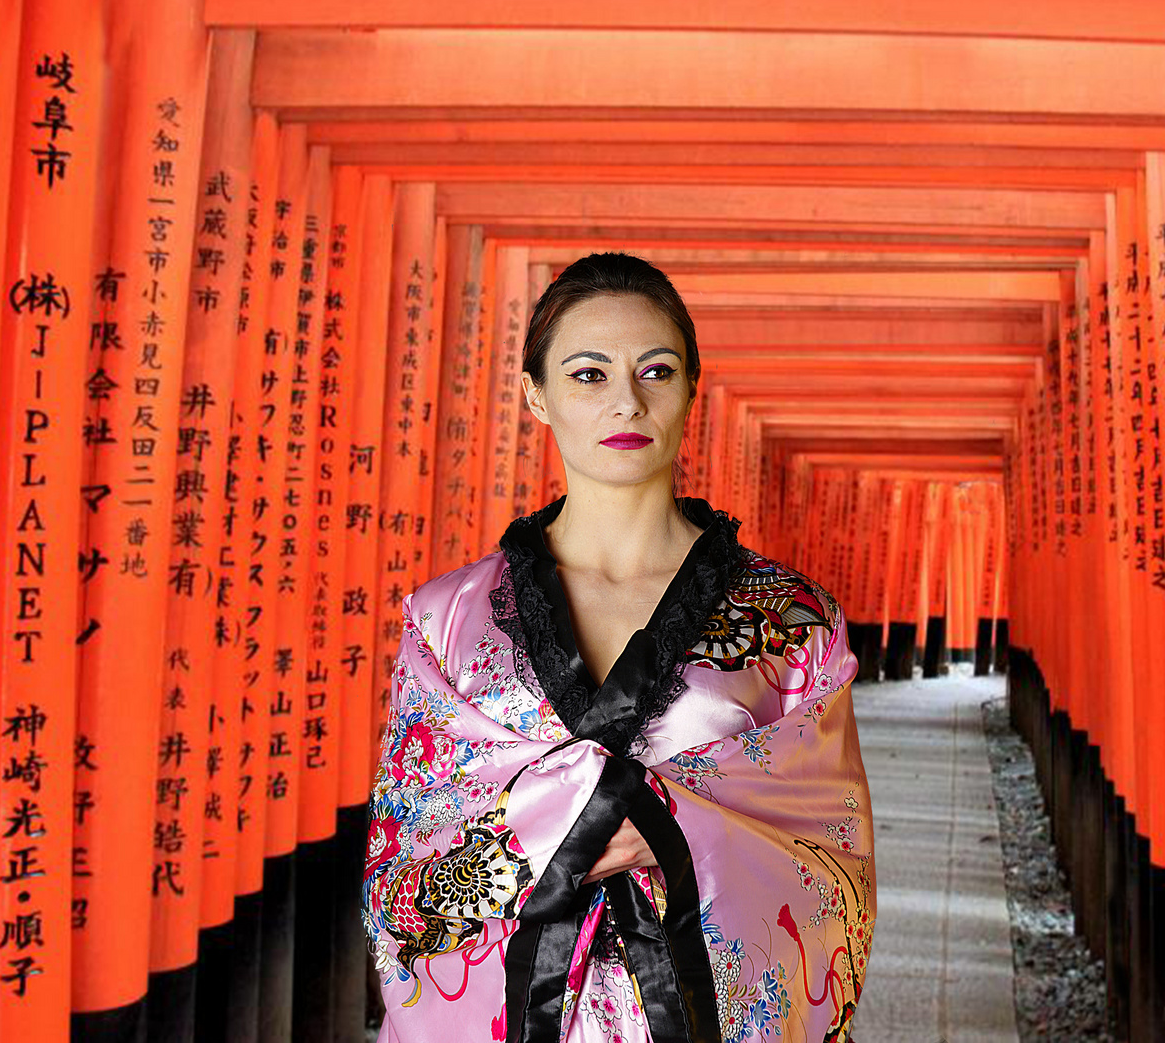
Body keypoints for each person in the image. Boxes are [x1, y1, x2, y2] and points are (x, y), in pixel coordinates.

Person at [362, 252, 875, 1043]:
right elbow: (406, 870)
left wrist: (669, 828)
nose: (626, 401)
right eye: (589, 375)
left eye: (656, 371)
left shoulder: (790, 618)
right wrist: (609, 816)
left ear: (690, 389)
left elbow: (831, 860)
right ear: (537, 394)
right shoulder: (449, 621)